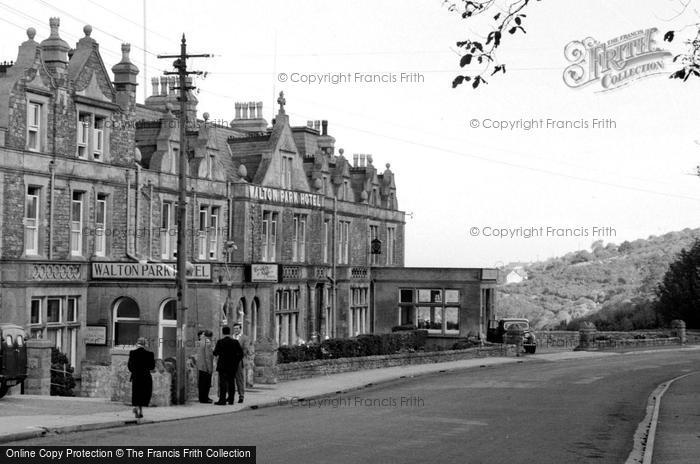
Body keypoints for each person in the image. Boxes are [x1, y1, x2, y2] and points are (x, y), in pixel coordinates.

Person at [213, 326, 243, 405]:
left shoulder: (220, 342)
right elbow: (241, 354)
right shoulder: (235, 342)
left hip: (222, 366)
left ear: (222, 332)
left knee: (223, 383)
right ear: (229, 332)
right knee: (231, 383)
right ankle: (231, 400)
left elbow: (215, 353)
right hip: (232, 366)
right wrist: (236, 363)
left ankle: (222, 400)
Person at [127, 337, 155, 419]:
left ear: (137, 344)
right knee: (145, 393)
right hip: (146, 377)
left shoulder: (132, 353)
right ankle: (140, 411)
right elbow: (152, 367)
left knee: (136, 393)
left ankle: (137, 408)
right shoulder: (150, 354)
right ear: (145, 344)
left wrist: (135, 371)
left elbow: (129, 366)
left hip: (136, 376)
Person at [232, 323, 252, 403]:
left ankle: (241, 395)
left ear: (240, 329)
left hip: (239, 360)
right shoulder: (231, 337)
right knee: (230, 379)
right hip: (230, 361)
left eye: (237, 328)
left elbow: (245, 349)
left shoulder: (245, 338)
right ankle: (231, 396)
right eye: (235, 328)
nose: (236, 330)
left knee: (239, 378)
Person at [195, 329, 214, 403]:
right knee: (206, 384)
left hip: (200, 366)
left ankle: (201, 398)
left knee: (201, 384)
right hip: (205, 366)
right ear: (210, 336)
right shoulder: (207, 342)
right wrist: (209, 368)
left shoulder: (199, 342)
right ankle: (205, 399)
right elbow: (208, 357)